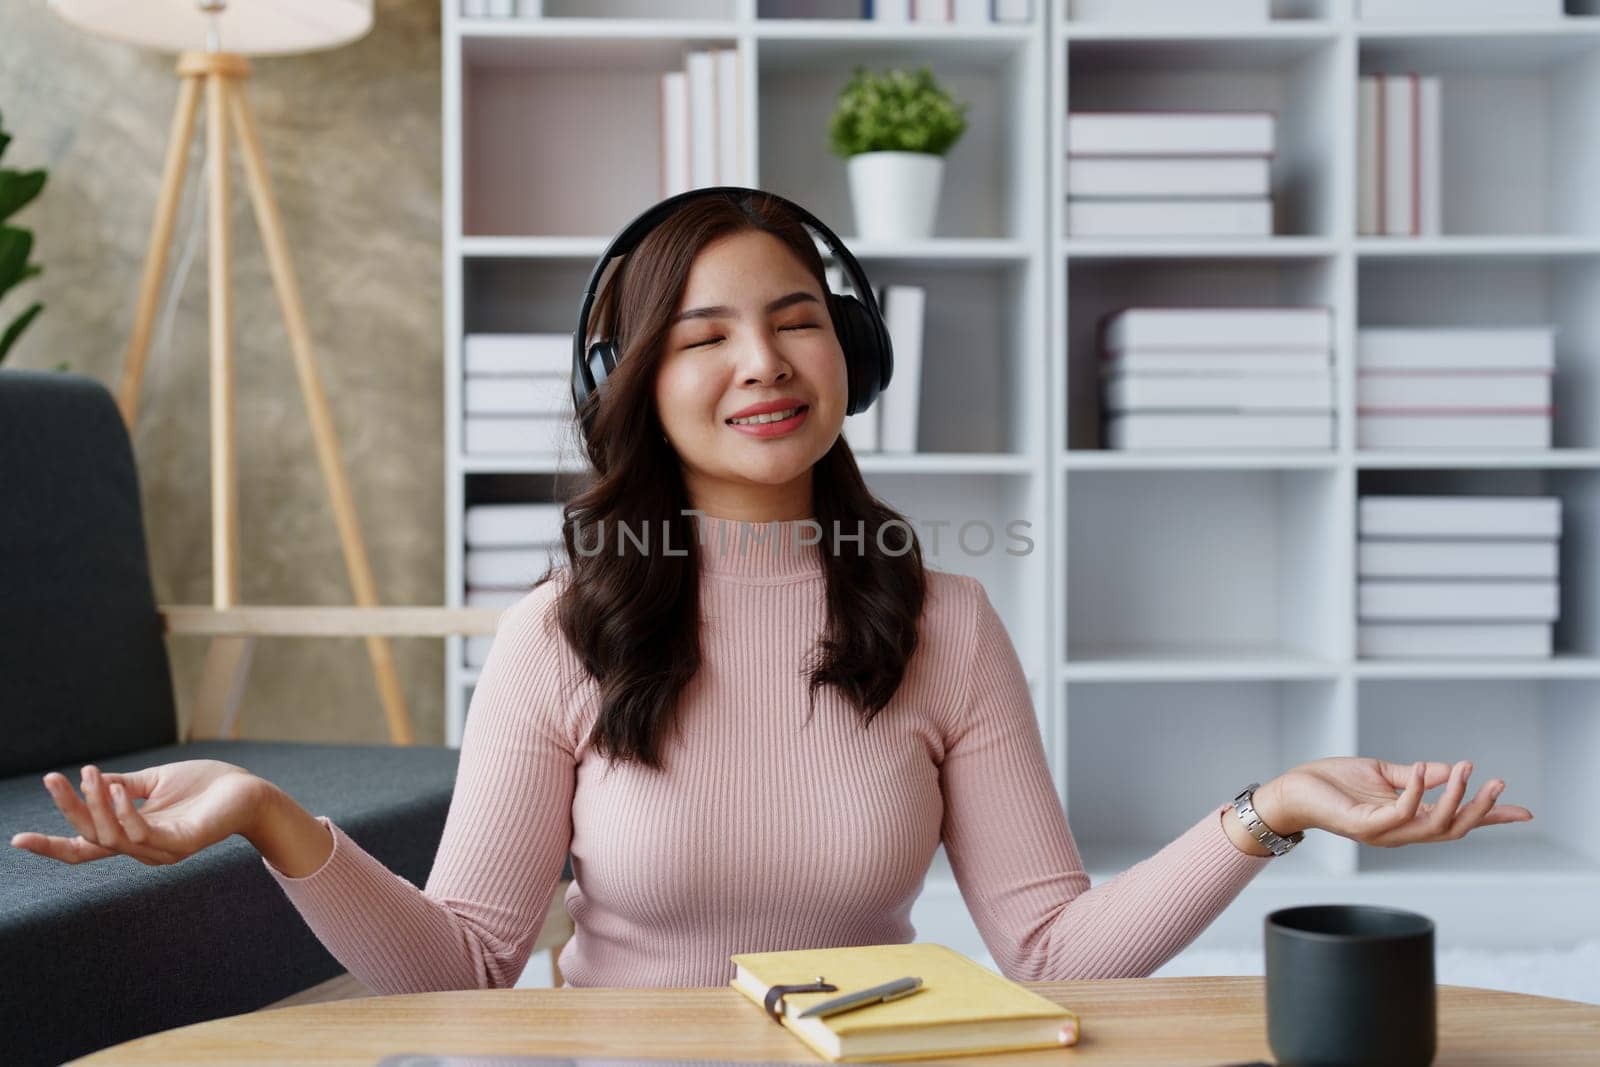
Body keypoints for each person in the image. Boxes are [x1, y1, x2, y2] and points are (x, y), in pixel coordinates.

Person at [11, 189, 1535, 994]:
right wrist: (278, 823)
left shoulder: (943, 620)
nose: (763, 364)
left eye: (798, 320)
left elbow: (1054, 952)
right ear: (633, 387)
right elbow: (470, 966)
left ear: (849, 359)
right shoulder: (562, 631)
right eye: (705, 335)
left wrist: (1269, 810)